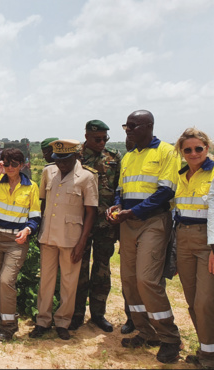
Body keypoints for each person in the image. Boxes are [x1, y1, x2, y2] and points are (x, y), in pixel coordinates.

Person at [107, 110, 182, 364]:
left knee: (147, 280)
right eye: (126, 126)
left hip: (153, 222)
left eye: (132, 125)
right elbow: (121, 190)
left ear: (148, 126)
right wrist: (117, 207)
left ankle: (170, 338)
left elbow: (165, 192)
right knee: (128, 280)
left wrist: (133, 212)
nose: (127, 130)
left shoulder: (167, 152)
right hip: (128, 223)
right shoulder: (129, 156)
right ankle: (145, 331)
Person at [30, 139, 98, 341]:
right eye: (58, 160)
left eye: (65, 160)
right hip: (48, 236)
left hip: (71, 238)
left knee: (69, 283)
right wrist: (40, 232)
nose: (61, 164)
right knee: (46, 282)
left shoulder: (86, 176)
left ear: (76, 156)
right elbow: (43, 204)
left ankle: (62, 322)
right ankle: (42, 321)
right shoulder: (48, 172)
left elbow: (91, 212)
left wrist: (82, 242)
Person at [0, 148, 41, 341]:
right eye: (6, 164)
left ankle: (8, 326)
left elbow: (34, 216)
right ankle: (4, 321)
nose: (10, 168)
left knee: (7, 281)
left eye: (14, 164)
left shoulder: (31, 186)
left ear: (22, 165)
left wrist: (28, 230)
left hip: (17, 241)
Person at [70, 120, 121, 332]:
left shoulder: (114, 157)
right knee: (79, 271)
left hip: (105, 225)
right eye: (97, 139)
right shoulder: (75, 157)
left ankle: (98, 314)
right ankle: (76, 314)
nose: (101, 142)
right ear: (86, 137)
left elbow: (119, 189)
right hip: (81, 222)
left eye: (104, 139)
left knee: (102, 270)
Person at [173, 128, 214, 369]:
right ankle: (205, 349)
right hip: (184, 239)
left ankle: (209, 358)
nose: (193, 153)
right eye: (187, 149)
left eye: (198, 148)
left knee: (205, 302)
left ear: (207, 148)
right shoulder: (181, 175)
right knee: (191, 300)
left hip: (206, 242)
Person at [120, 135, 136, 335]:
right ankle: (132, 317)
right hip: (120, 220)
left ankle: (135, 318)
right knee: (128, 274)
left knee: (143, 275)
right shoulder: (127, 159)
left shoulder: (163, 154)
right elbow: (120, 189)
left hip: (135, 220)